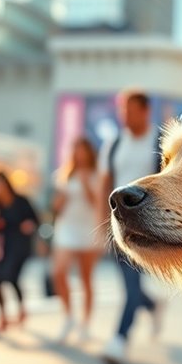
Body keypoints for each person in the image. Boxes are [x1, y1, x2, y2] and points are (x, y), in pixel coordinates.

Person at [100, 91, 164, 364]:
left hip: (148, 224)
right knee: (131, 284)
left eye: (130, 110)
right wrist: (100, 220)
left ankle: (119, 339)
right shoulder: (114, 143)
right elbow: (105, 183)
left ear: (145, 111)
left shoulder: (159, 141)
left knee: (130, 285)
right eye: (122, 110)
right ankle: (152, 305)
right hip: (118, 223)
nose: (125, 115)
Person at [51, 136, 103, 344]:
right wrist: (61, 198)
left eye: (83, 150)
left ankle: (86, 324)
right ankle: (68, 317)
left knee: (86, 278)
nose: (79, 154)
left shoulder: (97, 175)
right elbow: (55, 206)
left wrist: (85, 184)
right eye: (76, 150)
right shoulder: (64, 175)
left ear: (89, 153)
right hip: (67, 228)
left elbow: (96, 203)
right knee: (58, 272)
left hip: (88, 229)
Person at [0, 166, 40, 335]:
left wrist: (29, 224)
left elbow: (35, 219)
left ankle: (21, 309)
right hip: (2, 246)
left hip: (20, 245)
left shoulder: (21, 200)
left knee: (11, 277)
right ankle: (3, 318)